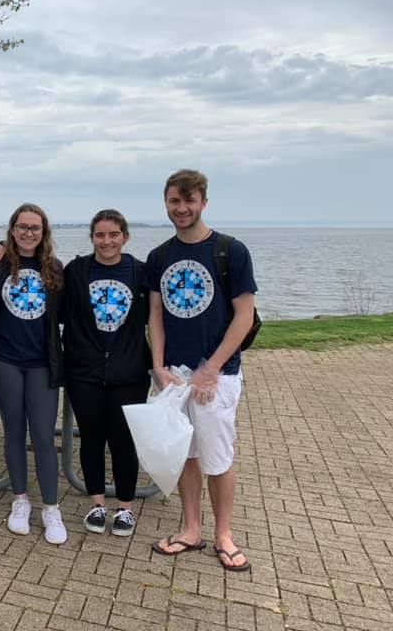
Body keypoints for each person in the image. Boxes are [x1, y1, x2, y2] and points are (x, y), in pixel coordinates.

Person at [147, 169, 258, 572]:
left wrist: (211, 369)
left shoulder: (230, 251)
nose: (181, 208)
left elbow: (244, 316)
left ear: (203, 203)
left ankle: (223, 535)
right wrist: (158, 367)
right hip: (174, 377)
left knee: (218, 457)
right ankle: (191, 529)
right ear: (166, 203)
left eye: (189, 200)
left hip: (217, 376)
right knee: (186, 455)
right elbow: (156, 315)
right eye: (174, 201)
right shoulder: (160, 256)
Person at [63, 209, 151, 538]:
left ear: (124, 237)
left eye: (113, 234)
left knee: (123, 441)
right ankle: (97, 504)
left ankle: (125, 507)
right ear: (92, 238)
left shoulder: (141, 273)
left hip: (130, 373)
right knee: (92, 438)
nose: (107, 241)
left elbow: (159, 318)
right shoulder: (76, 272)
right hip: (85, 372)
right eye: (100, 235)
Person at [0, 203, 66, 544]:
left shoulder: (55, 268)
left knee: (44, 436)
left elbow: (69, 314)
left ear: (43, 232)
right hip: (6, 362)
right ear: (12, 230)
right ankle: (20, 500)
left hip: (42, 365)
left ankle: (51, 507)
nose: (28, 233)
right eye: (22, 227)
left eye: (35, 228)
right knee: (14, 433)